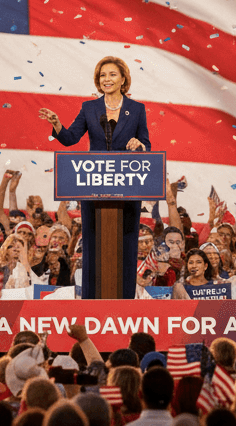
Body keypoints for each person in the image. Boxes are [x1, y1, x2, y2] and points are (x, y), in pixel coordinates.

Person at [38, 55, 151, 299]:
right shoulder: (90, 109)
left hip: (127, 188)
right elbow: (70, 139)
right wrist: (57, 123)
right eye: (102, 76)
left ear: (123, 79)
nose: (106, 79)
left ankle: (125, 300)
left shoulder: (137, 109)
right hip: (94, 187)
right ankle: (91, 299)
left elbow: (147, 146)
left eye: (112, 74)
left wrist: (138, 146)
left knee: (126, 244)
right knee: (93, 244)